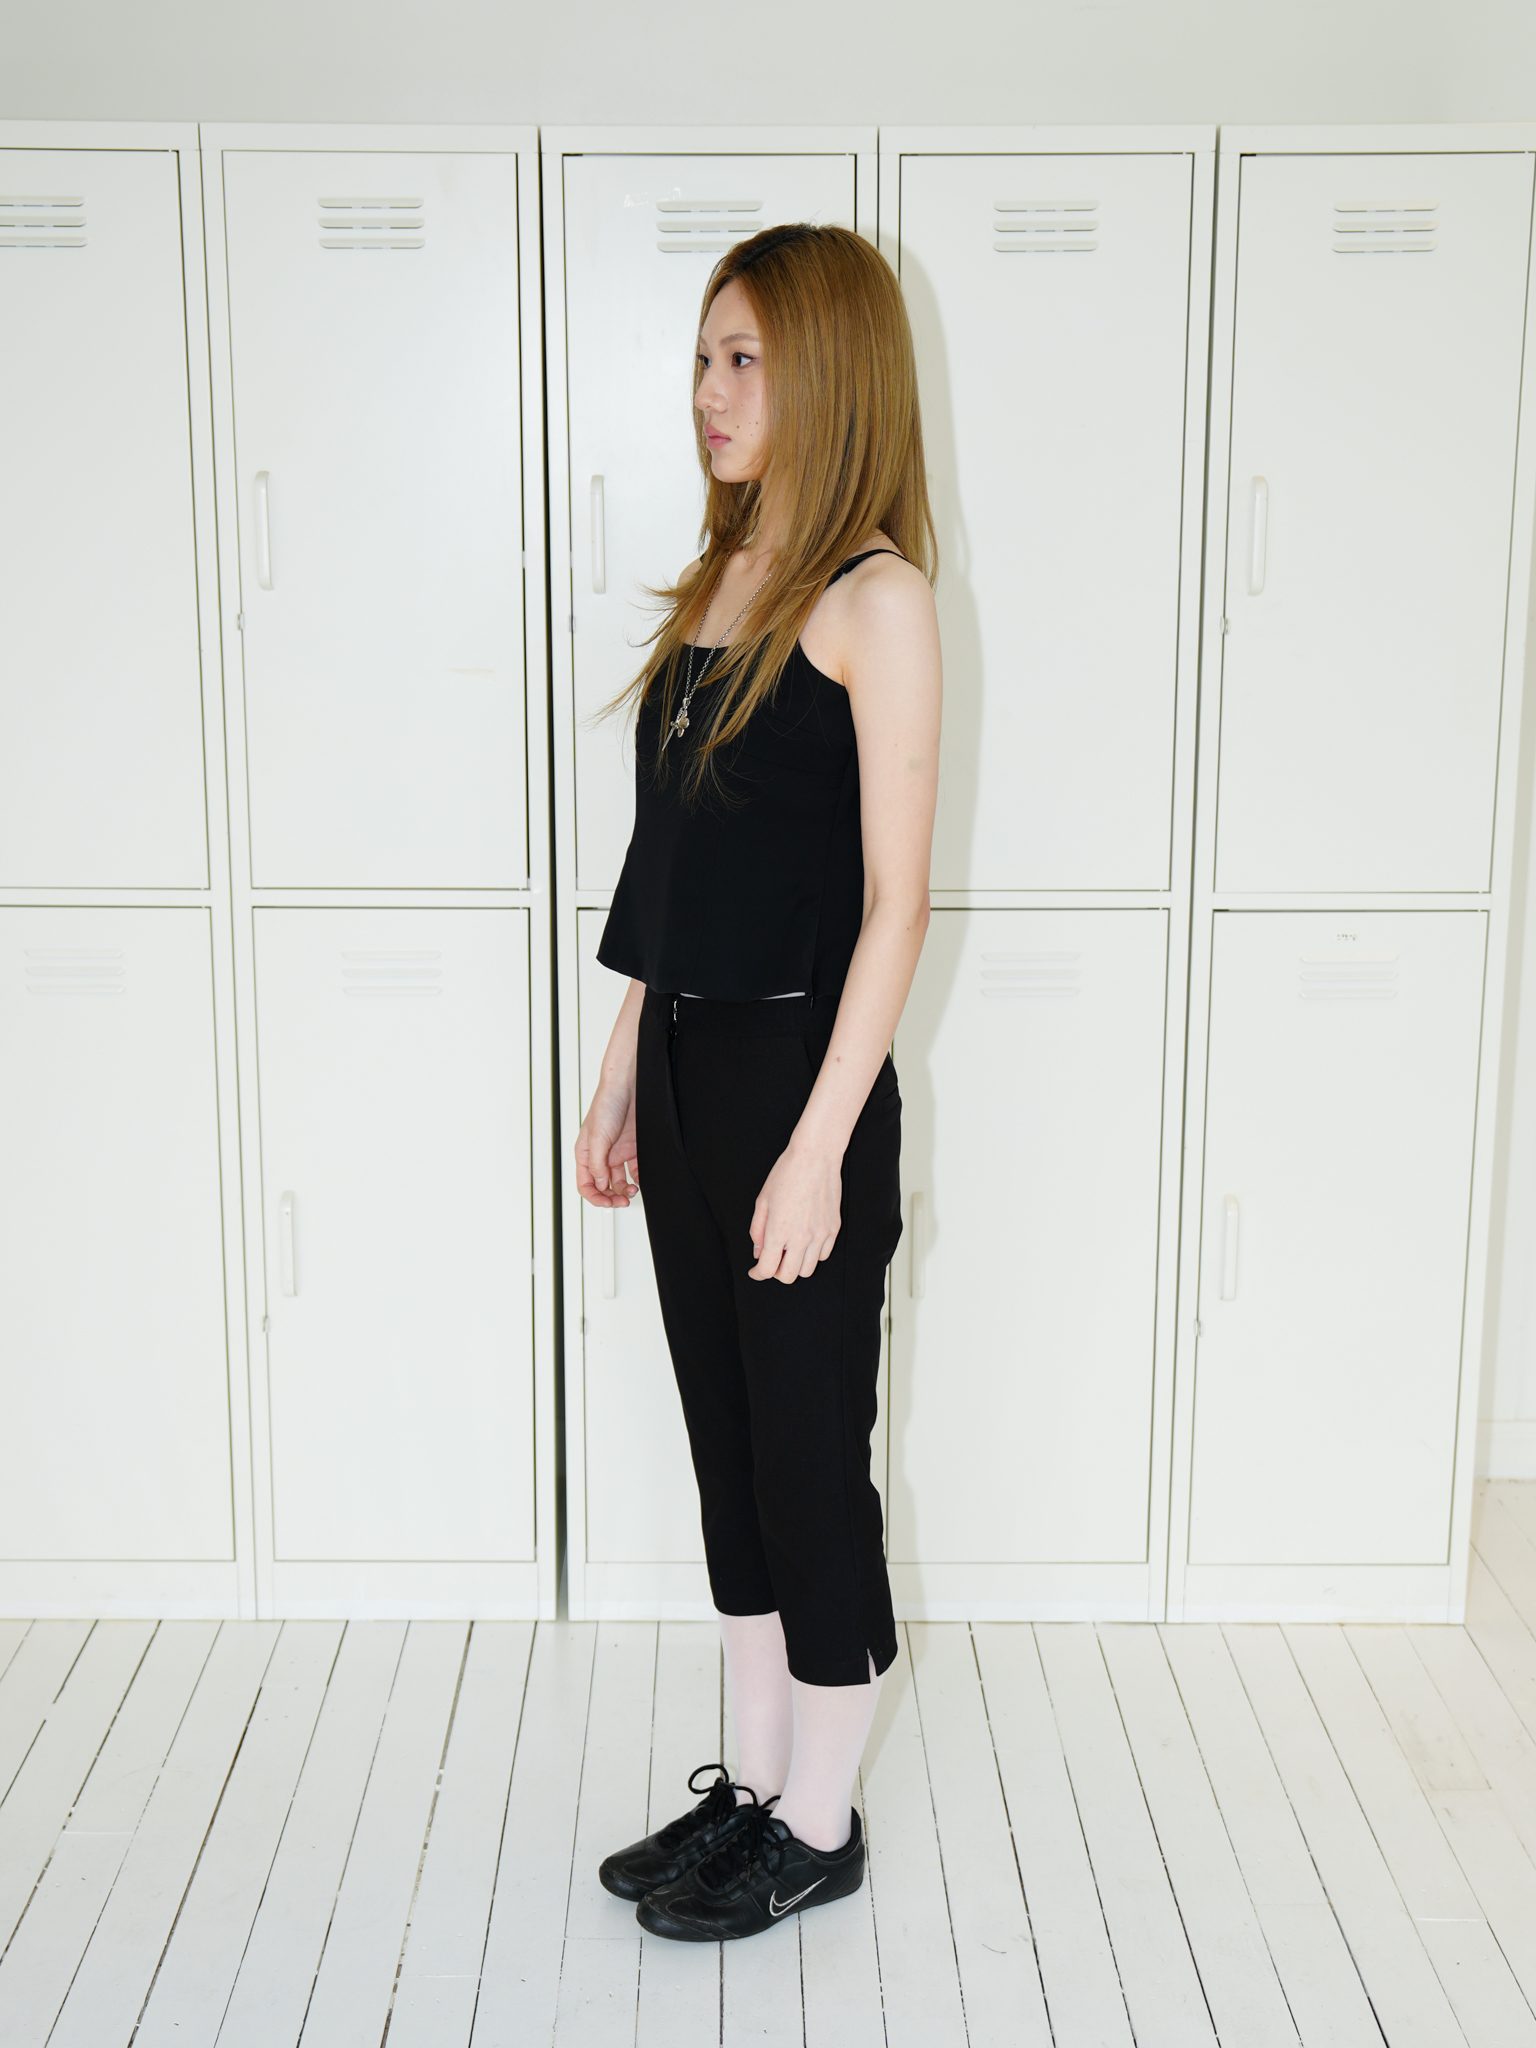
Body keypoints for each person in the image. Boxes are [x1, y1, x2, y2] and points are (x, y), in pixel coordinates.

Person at [573, 220, 942, 1944]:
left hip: (802, 1076)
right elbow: (674, 865)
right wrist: (621, 1067)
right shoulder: (721, 581)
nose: (709, 392)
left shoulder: (879, 602)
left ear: (831, 374)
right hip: (688, 1061)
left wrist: (818, 1150)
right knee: (730, 1457)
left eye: (745, 360)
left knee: (809, 1464)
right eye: (704, 359)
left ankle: (821, 1822)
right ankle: (754, 1792)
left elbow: (897, 904)